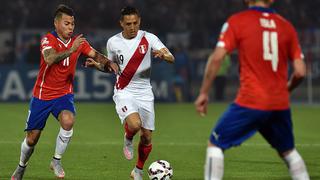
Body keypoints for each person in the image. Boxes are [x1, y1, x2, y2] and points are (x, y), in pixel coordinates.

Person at [194, 0, 310, 180]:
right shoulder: (286, 26)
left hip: (251, 101)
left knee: (215, 144)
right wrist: (285, 90)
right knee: (288, 152)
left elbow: (217, 58)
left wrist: (203, 92)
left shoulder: (238, 21)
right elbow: (301, 72)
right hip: (279, 105)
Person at [11, 4, 118, 180]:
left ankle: (56, 160)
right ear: (57, 24)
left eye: (72, 24)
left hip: (63, 94)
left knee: (68, 121)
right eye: (67, 23)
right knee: (32, 139)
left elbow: (95, 54)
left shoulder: (78, 42)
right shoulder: (48, 40)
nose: (70, 27)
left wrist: (108, 63)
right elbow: (50, 58)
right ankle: (21, 166)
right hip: (42, 95)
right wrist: (71, 49)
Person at [86, 6, 174, 180]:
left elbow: (171, 57)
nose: (132, 27)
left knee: (147, 137)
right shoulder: (113, 42)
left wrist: (164, 56)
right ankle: (128, 138)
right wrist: (98, 66)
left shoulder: (149, 38)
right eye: (128, 24)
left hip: (145, 92)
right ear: (121, 23)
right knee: (134, 125)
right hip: (124, 90)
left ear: (139, 21)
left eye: (135, 23)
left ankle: (138, 171)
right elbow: (112, 68)